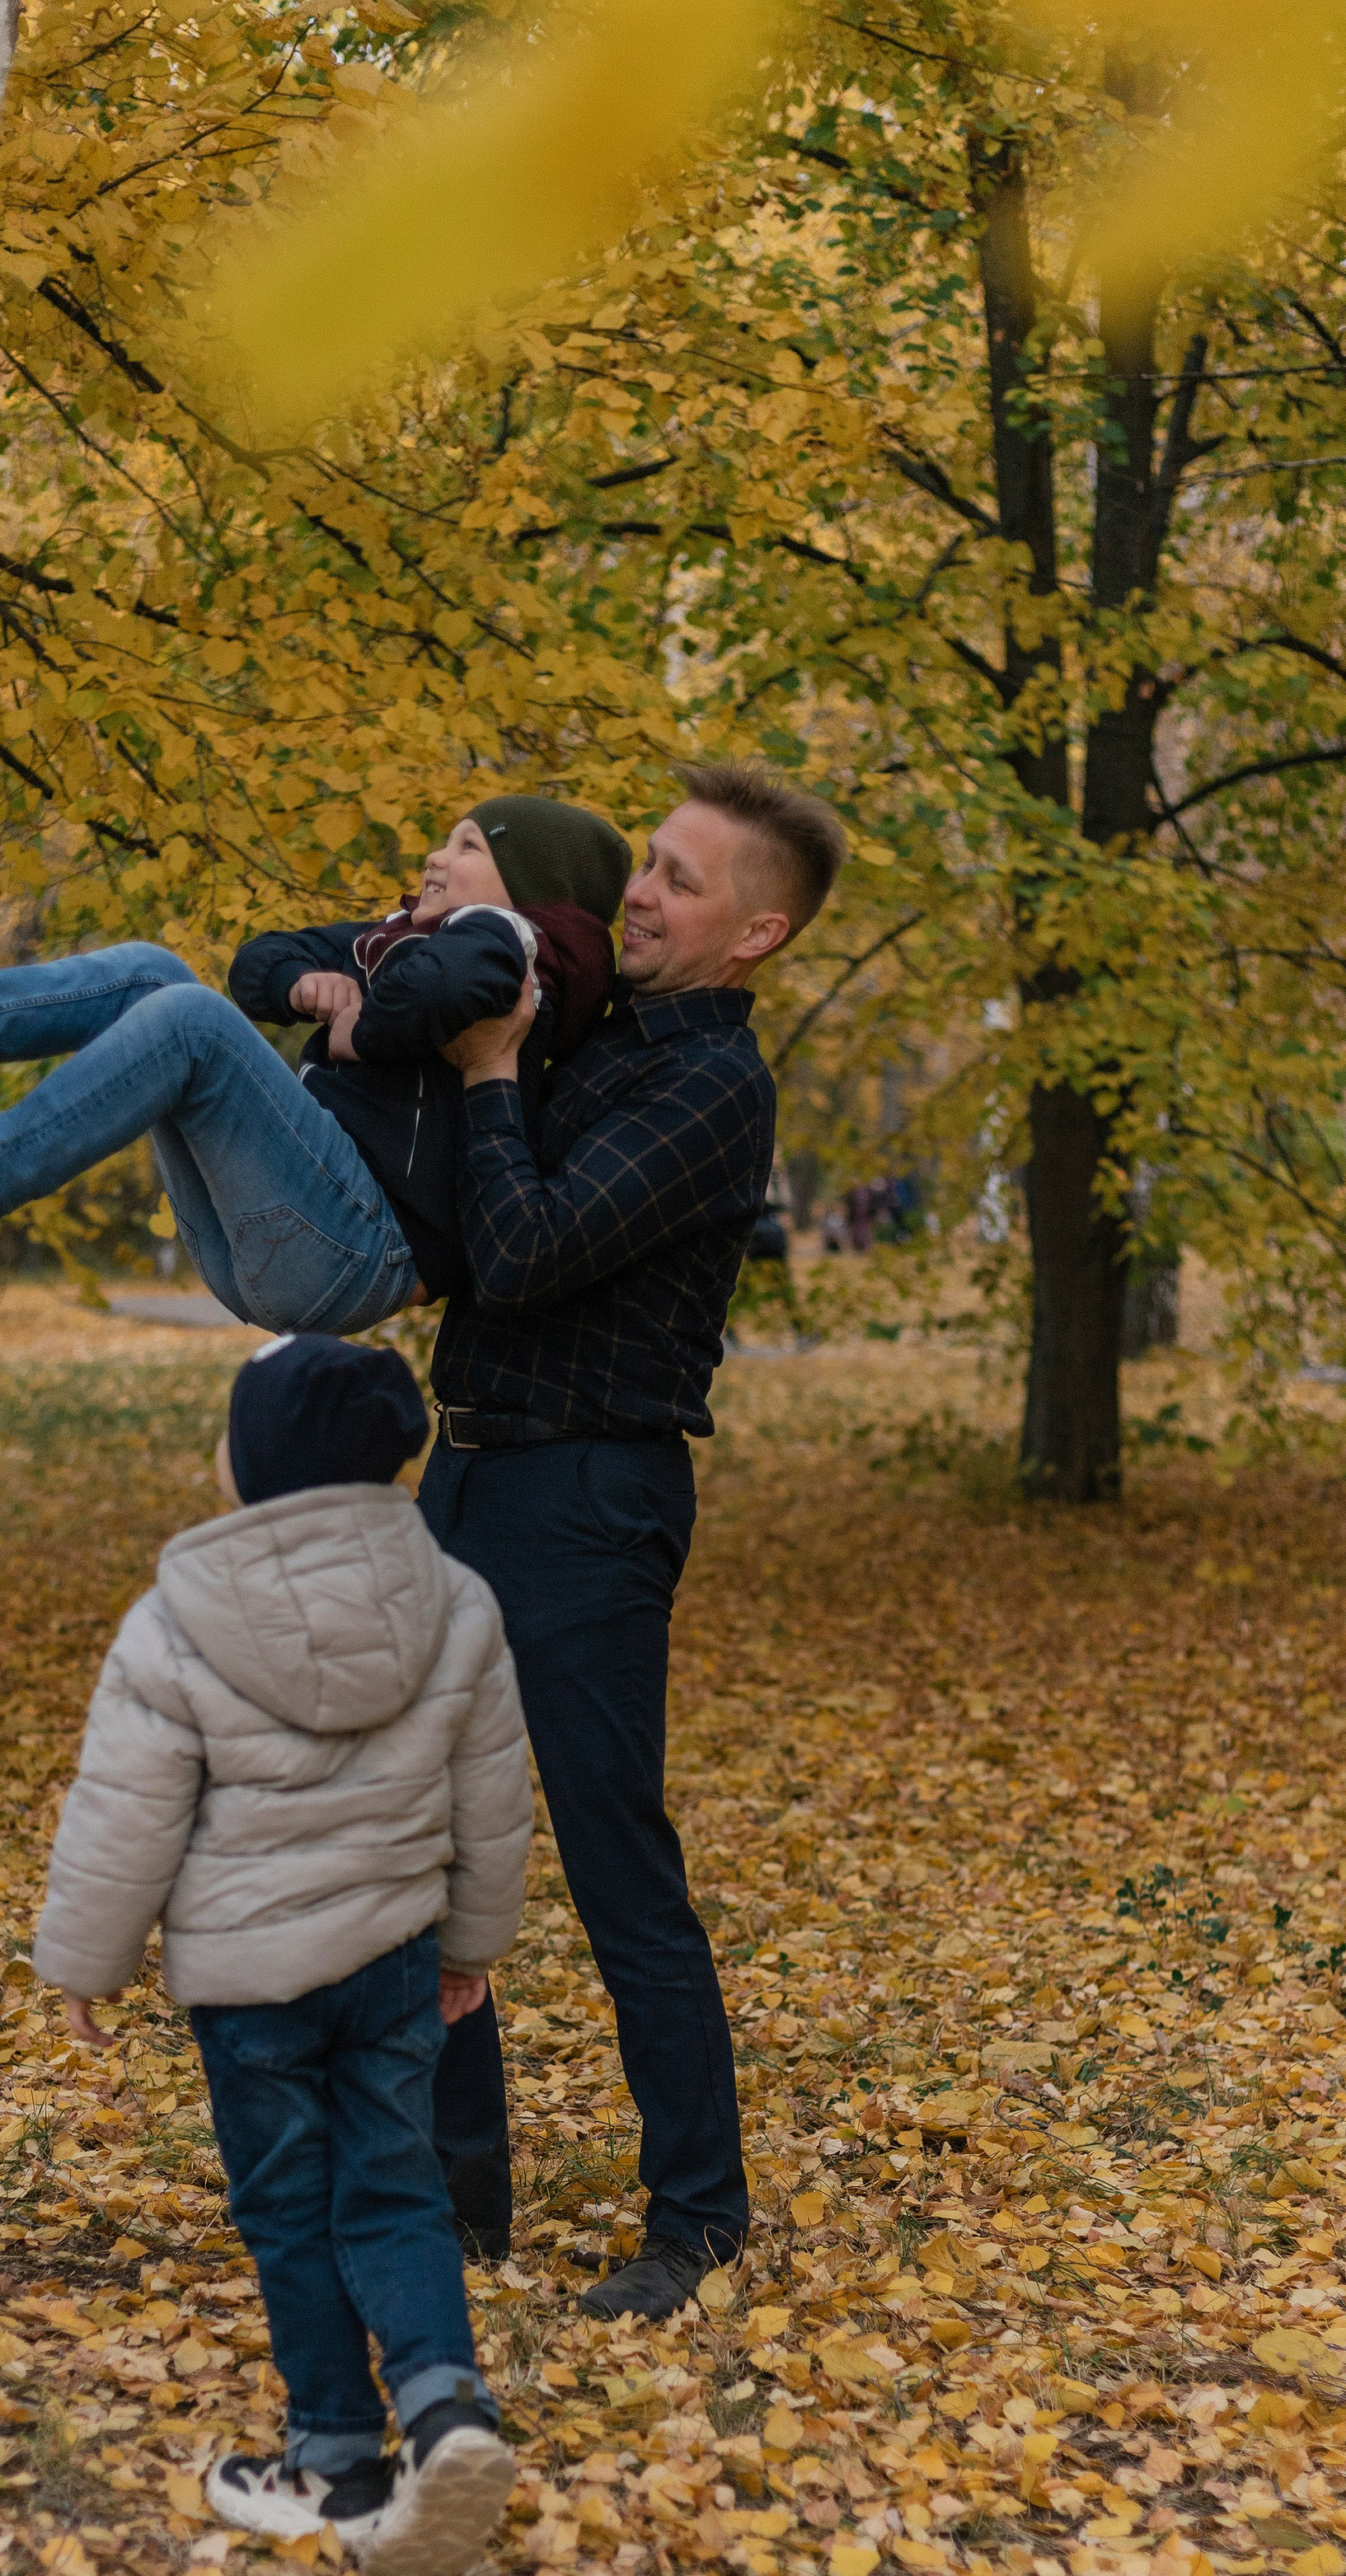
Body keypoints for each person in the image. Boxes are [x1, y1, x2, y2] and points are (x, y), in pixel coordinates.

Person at [419, 761, 847, 2319]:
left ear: (758, 933)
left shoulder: (713, 1087)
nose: (640, 894)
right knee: (421, 1846)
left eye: (677, 878)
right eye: (646, 866)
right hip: (461, 1473)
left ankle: (699, 2220)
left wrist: (483, 1072)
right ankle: (457, 2201)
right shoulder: (591, 1032)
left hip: (589, 1501)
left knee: (614, 1865)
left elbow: (522, 1249)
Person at [31, 1333, 534, 2576]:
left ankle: (332, 2456)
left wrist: (88, 1960)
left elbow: (128, 1806)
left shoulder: (179, 1619)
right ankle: (445, 2405)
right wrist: (474, 1943)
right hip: (395, 1962)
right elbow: (495, 1793)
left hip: (251, 1987)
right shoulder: (456, 1597)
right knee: (396, 2183)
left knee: (289, 2210)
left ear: (256, 1463)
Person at [0, 799, 627, 1335]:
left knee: (191, 1025)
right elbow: (256, 965)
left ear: (526, 892)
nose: (435, 854)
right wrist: (297, 982)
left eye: (467, 846)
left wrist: (360, 1031)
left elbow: (448, 987)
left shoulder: (512, 950)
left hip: (359, 1249)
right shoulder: (401, 935)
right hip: (292, 1237)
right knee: (158, 976)